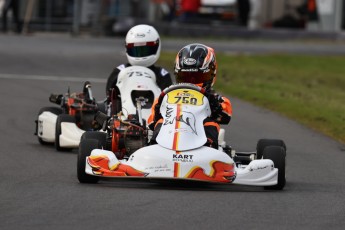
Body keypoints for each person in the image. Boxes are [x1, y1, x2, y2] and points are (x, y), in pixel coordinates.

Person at [148, 43, 232, 149]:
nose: (191, 83)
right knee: (160, 122)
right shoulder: (167, 96)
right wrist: (158, 112)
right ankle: (155, 148)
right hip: (169, 136)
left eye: (197, 78)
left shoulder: (213, 98)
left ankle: (209, 150)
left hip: (199, 139)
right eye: (185, 77)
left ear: (211, 74)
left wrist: (215, 105)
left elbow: (226, 115)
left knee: (211, 124)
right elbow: (151, 122)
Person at [105, 24, 173, 114]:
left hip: (154, 121)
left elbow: (169, 102)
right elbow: (109, 98)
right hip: (121, 118)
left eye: (145, 49)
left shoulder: (162, 74)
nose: (140, 55)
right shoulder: (119, 72)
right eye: (136, 50)